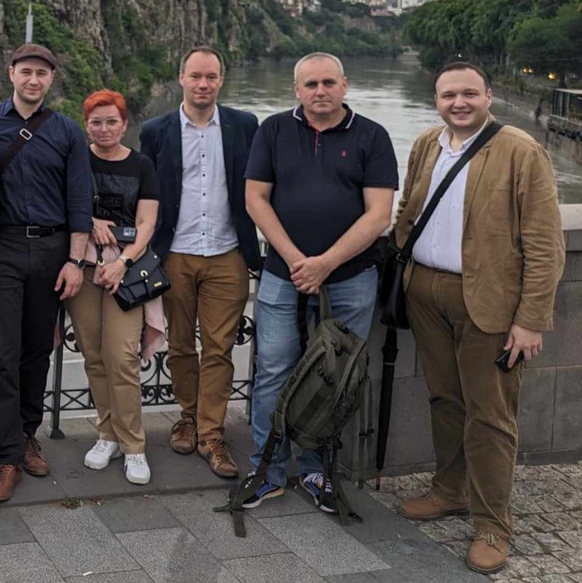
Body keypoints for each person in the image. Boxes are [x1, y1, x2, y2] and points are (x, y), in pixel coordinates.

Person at [393, 62, 564, 574]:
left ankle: (493, 524)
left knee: (490, 414)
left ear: (488, 95)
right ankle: (450, 491)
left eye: (469, 93)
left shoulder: (521, 150)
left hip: (488, 301)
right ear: (436, 100)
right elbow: (408, 209)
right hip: (426, 293)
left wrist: (530, 319)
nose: (459, 102)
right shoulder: (427, 143)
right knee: (444, 400)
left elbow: (545, 243)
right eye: (449, 95)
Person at [241, 51, 397, 511]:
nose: (320, 91)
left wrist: (325, 263)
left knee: (336, 377)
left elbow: (379, 215)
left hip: (350, 278)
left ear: (345, 85)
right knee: (273, 370)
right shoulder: (273, 130)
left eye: (328, 82)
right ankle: (267, 469)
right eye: (310, 84)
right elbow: (255, 199)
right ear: (297, 90)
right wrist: (296, 260)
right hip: (282, 275)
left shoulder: (372, 135)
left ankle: (317, 469)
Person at [0, 43, 92, 502]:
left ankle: (27, 435)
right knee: (1, 351)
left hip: (52, 248)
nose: (33, 80)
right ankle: (7, 457)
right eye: (26, 71)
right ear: (11, 73)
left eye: (42, 73)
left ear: (51, 79)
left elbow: (79, 199)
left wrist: (75, 260)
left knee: (38, 350)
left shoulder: (67, 131)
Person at [138, 46, 260, 479]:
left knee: (219, 348)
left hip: (228, 253)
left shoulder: (245, 125)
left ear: (221, 79)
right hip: (174, 253)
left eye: (211, 76)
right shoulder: (156, 130)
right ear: (182, 78)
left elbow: (261, 185)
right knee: (181, 345)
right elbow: (144, 191)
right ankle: (188, 416)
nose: (203, 84)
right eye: (196, 76)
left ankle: (211, 434)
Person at [68, 89, 158, 484]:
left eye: (111, 122)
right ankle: (106, 434)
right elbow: (65, 205)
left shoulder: (141, 165)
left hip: (127, 269)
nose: (104, 129)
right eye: (96, 122)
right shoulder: (77, 161)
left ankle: (133, 444)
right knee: (93, 355)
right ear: (86, 125)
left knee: (121, 356)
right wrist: (89, 221)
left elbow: (147, 223)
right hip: (84, 266)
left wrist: (123, 262)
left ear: (124, 124)